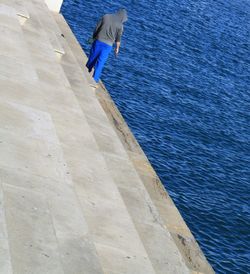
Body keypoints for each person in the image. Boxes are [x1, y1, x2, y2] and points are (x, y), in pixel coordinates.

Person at [86, 9, 128, 84]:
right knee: (101, 62)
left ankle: (88, 67)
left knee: (93, 56)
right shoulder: (120, 26)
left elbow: (97, 27)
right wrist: (117, 48)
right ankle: (95, 79)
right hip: (108, 46)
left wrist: (93, 37)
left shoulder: (106, 16)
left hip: (98, 40)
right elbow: (118, 39)